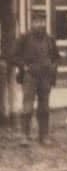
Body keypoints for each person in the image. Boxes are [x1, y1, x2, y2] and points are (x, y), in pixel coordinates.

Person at [12, 10, 60, 146]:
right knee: (27, 107)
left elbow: (56, 57)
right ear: (32, 23)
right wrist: (25, 67)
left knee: (44, 108)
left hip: (45, 78)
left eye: (42, 21)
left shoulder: (50, 39)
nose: (40, 24)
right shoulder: (24, 38)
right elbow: (13, 56)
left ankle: (43, 136)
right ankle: (24, 136)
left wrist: (52, 67)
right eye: (37, 21)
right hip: (30, 77)